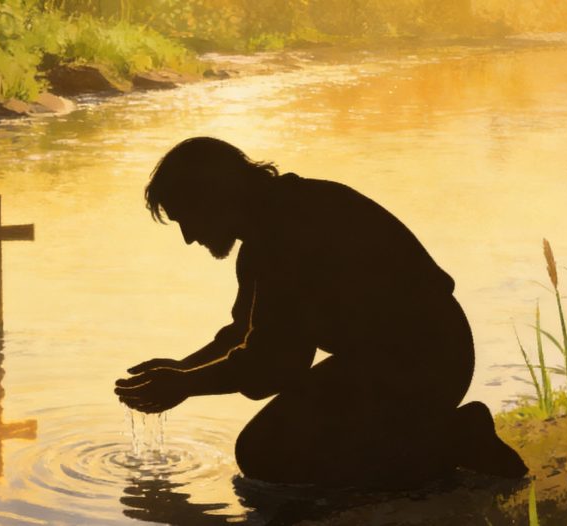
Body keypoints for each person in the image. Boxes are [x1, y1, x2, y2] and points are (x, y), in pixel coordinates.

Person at [114, 137, 528, 488]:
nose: (189, 238)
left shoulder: (289, 234)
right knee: (270, 445)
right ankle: (437, 436)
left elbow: (273, 366)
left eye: (188, 219)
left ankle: (450, 442)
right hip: (386, 359)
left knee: (265, 455)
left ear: (216, 197)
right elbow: (246, 333)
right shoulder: (269, 229)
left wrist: (184, 384)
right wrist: (180, 371)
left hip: (425, 362)